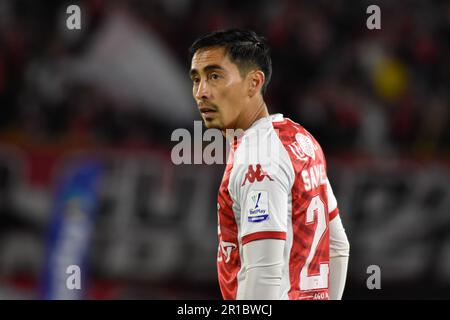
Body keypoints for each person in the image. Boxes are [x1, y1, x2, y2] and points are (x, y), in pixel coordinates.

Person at [188, 28, 350, 300]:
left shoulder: (258, 159)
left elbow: (264, 272)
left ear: (253, 83)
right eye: (196, 79)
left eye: (215, 76)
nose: (201, 92)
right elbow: (337, 246)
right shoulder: (301, 139)